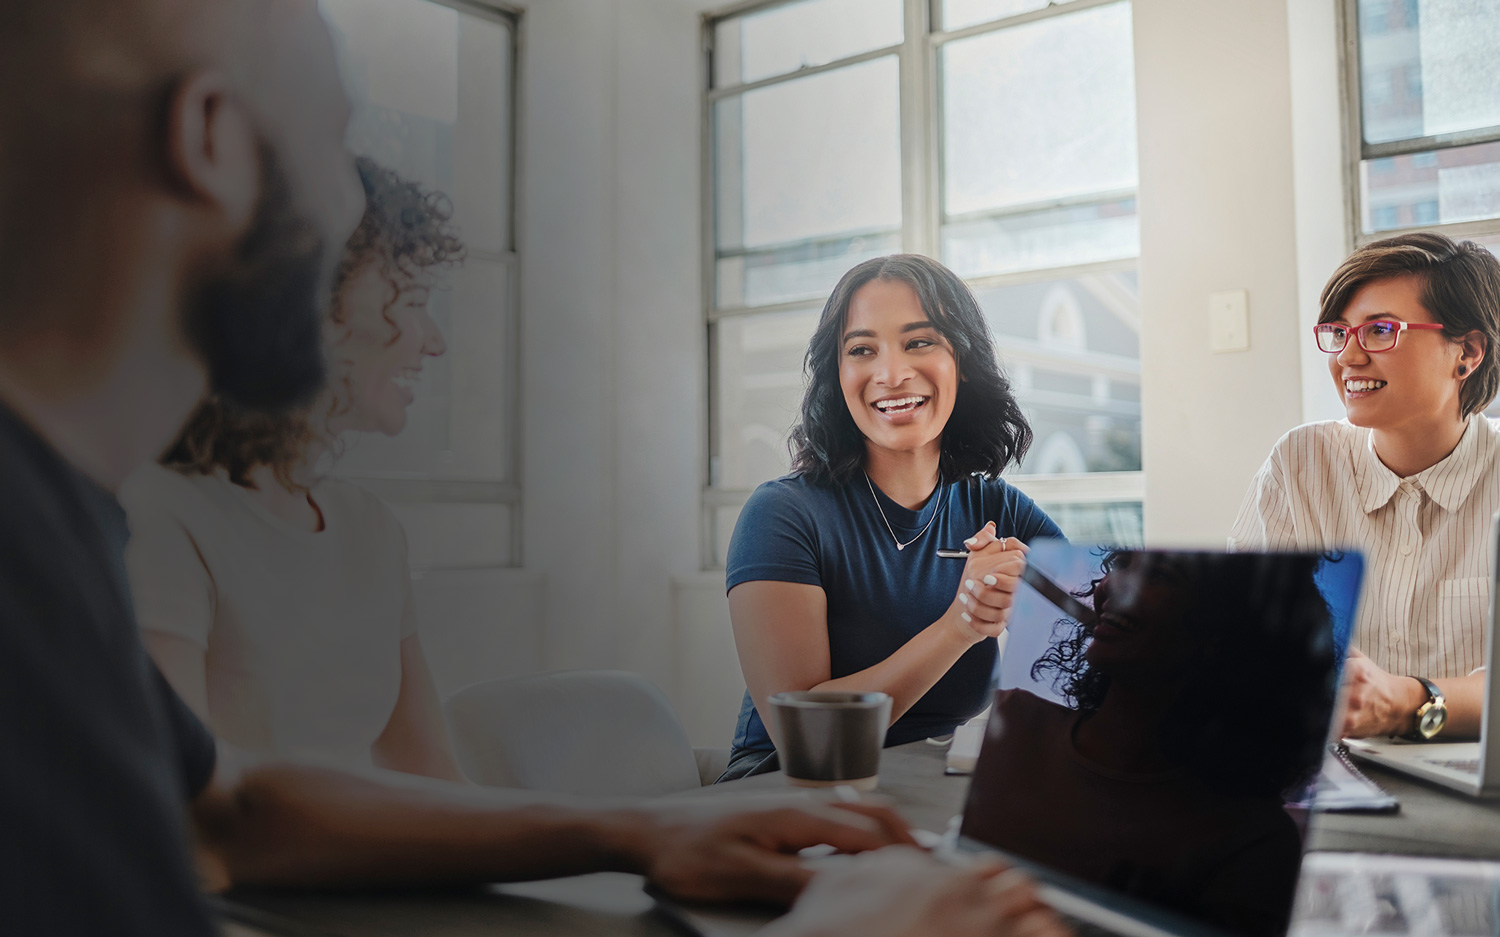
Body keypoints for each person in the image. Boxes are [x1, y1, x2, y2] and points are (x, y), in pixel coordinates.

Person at [0, 2, 1068, 935]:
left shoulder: (62, 515)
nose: (355, 209)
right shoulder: (47, 550)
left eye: (923, 341)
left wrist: (639, 832)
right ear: (213, 141)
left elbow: (227, 811)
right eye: (333, 145)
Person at [122, 156, 466, 780]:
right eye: (412, 301)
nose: (433, 340)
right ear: (313, 303)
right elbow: (192, 807)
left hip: (367, 878)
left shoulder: (372, 532)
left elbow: (437, 780)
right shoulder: (156, 515)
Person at [723, 254, 1063, 780]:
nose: (891, 373)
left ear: (963, 360)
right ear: (838, 375)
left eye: (919, 342)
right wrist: (963, 624)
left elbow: (1109, 638)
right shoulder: (782, 515)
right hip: (790, 791)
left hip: (935, 781)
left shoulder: (998, 509)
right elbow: (805, 736)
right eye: (862, 350)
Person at [964, 551, 1337, 937]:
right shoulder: (1011, 719)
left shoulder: (1253, 843)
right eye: (1123, 564)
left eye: (1161, 575)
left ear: (1229, 631)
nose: (1112, 585)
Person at [1230, 233, 1500, 740]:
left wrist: (1405, 702)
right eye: (1339, 332)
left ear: (1467, 353)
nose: (1348, 358)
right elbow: (1242, 634)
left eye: (1380, 330)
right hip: (1324, 776)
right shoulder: (1300, 465)